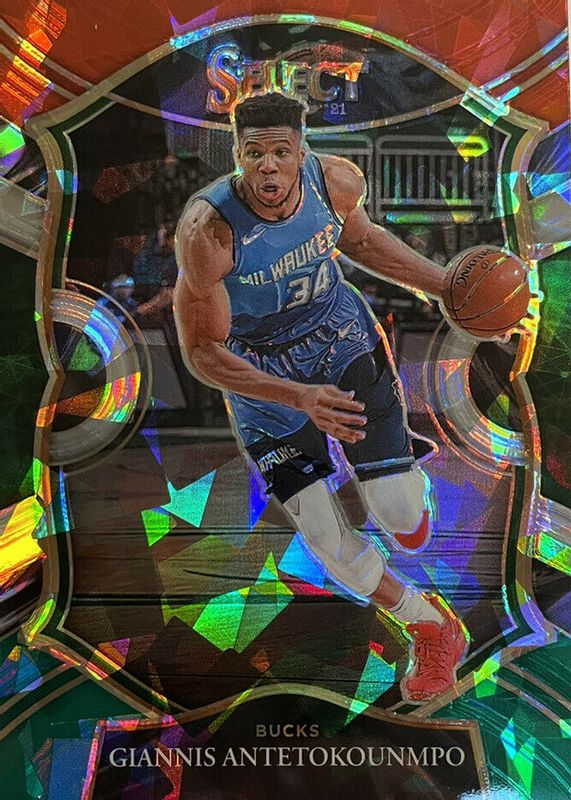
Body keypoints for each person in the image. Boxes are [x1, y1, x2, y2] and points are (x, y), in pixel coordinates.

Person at [173, 92, 469, 703]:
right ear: (237, 155)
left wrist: (445, 285)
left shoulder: (335, 182)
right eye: (254, 153)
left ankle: (398, 468)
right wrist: (298, 396)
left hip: (339, 340)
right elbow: (202, 351)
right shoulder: (209, 232)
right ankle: (430, 624)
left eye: (281, 152)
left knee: (402, 521)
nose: (268, 167)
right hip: (263, 379)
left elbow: (363, 243)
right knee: (327, 541)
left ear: (301, 151)